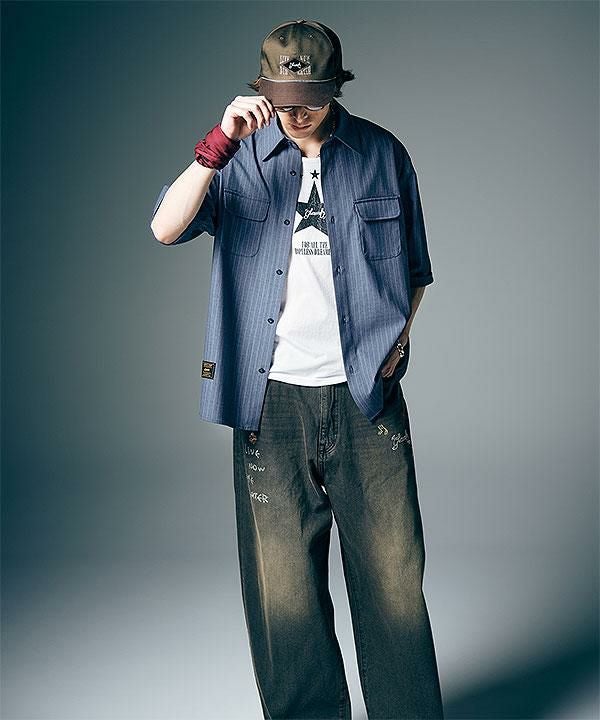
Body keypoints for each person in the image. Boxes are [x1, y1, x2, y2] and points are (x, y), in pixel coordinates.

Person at [150, 18, 444, 720]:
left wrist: (398, 341)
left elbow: (416, 269)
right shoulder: (238, 157)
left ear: (335, 87)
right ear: (263, 89)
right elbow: (164, 227)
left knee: (393, 581)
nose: (297, 111)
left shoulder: (381, 154)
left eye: (310, 97)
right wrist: (217, 146)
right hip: (270, 402)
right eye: (284, 98)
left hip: (366, 398)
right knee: (283, 592)